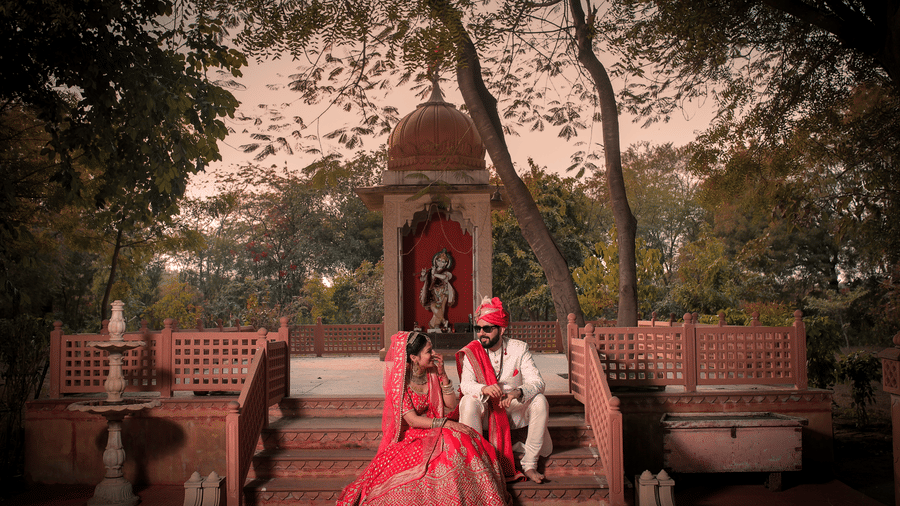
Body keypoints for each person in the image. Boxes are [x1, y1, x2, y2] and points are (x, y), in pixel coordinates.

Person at [337, 331, 510, 506]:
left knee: (466, 440)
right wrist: (447, 424)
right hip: (415, 433)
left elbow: (450, 404)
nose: (434, 354)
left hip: (438, 426)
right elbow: (412, 420)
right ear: (413, 357)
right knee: (447, 448)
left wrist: (443, 375)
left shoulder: (433, 371)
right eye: (428, 351)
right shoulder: (400, 381)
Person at [456, 297, 553, 483]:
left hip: (512, 407)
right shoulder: (472, 351)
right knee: (467, 400)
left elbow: (538, 382)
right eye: (479, 329)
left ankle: (530, 464)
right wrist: (484, 388)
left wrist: (517, 392)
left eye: (487, 329)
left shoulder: (519, 349)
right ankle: (478, 465)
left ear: (502, 329)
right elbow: (466, 384)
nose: (481, 334)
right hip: (486, 410)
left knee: (540, 400)